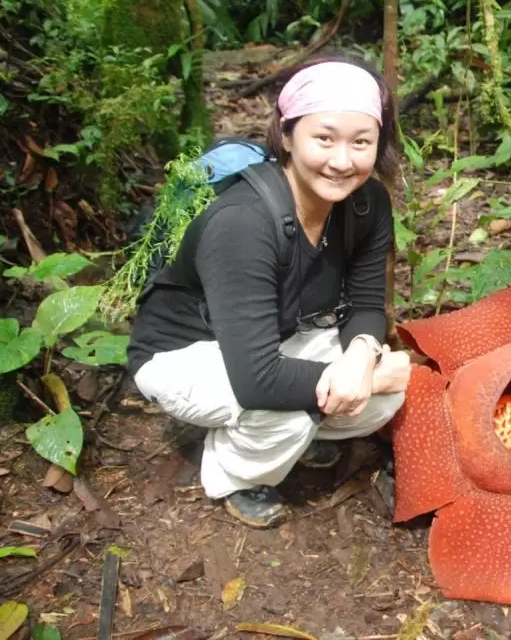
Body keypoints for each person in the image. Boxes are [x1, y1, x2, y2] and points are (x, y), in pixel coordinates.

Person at [127, 56, 412, 529]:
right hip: (184, 355)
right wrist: (363, 379)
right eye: (324, 138)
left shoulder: (366, 203)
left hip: (268, 338)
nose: (342, 161)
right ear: (286, 133)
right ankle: (233, 475)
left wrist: (362, 357)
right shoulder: (243, 222)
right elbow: (257, 381)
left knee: (383, 397)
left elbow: (364, 304)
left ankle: (299, 428)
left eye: (361, 142)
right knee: (297, 408)